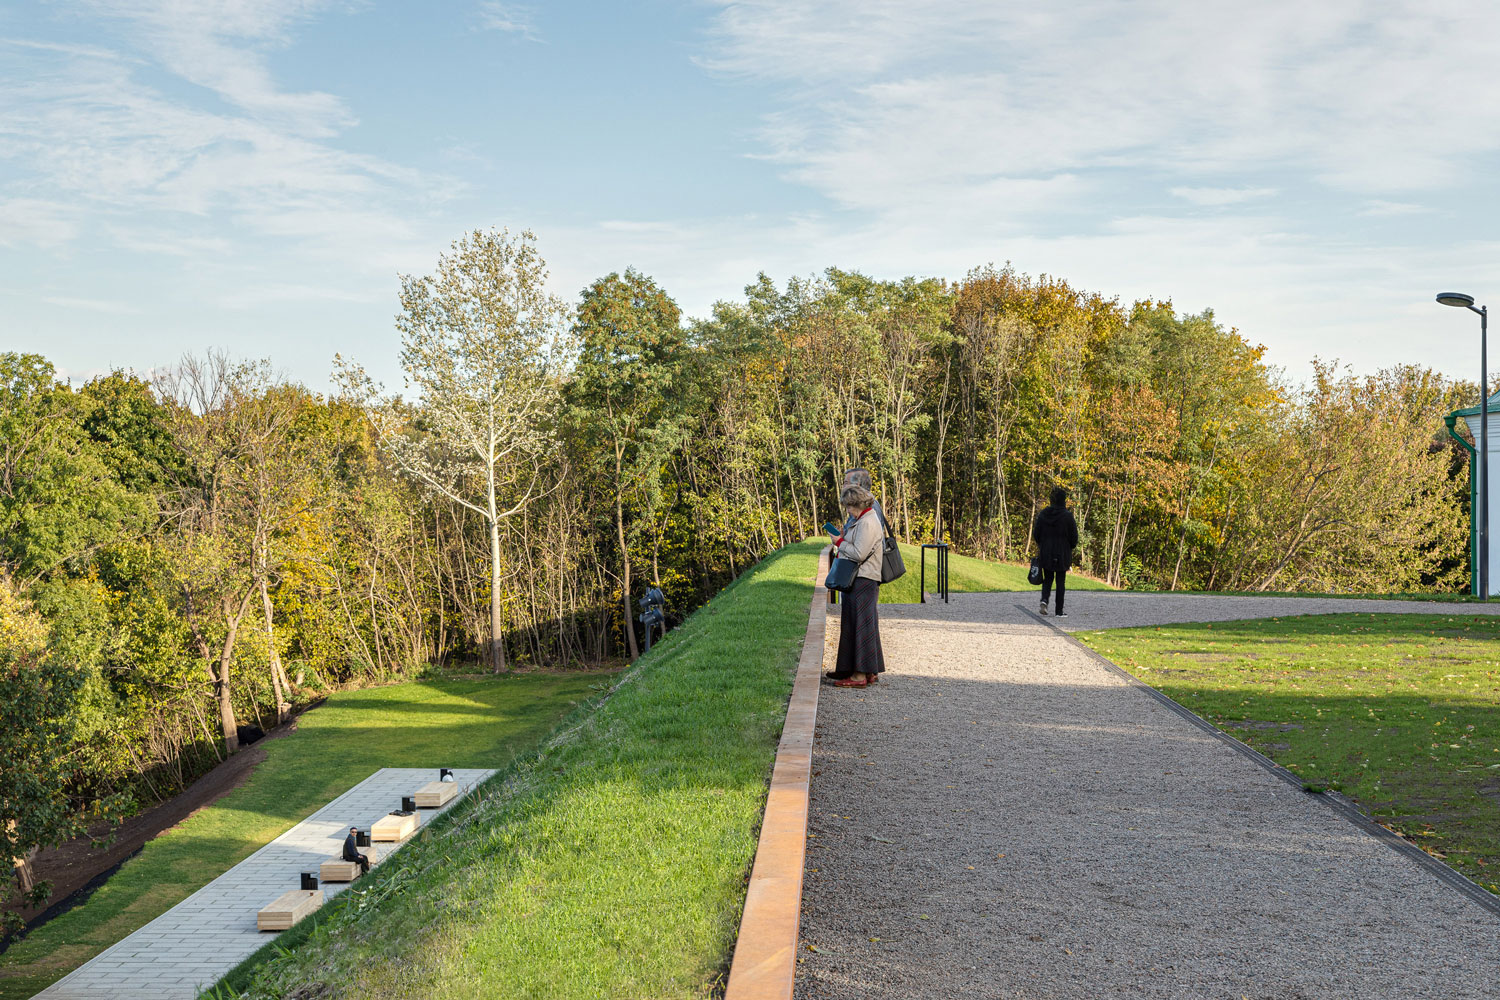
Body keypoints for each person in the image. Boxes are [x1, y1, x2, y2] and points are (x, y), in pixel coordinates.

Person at [827, 482, 885, 687]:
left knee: (860, 625)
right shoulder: (862, 520)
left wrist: (839, 542)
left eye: (849, 506)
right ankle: (865, 670)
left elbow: (859, 553)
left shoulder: (867, 522)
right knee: (860, 623)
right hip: (860, 578)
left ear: (857, 504)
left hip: (863, 578)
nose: (848, 510)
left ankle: (859, 676)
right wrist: (844, 537)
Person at [1032, 486, 1079, 618]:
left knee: (1047, 578)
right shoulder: (1067, 516)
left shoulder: (1043, 514)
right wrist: (1070, 546)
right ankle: (1059, 611)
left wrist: (1042, 544)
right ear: (1063, 500)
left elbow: (1036, 533)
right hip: (1062, 552)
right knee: (1060, 581)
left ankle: (1044, 600)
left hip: (1046, 551)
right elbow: (1074, 536)